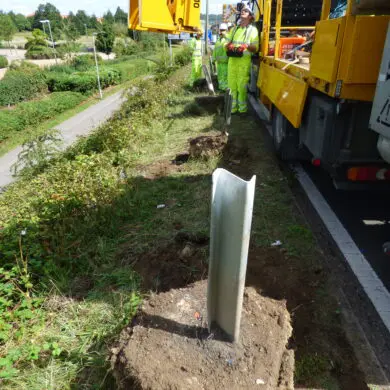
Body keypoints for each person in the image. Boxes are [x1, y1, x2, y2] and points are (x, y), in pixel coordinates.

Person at [225, 6, 259, 114]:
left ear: (250, 16)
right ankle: (233, 109)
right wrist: (227, 46)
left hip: (243, 62)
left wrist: (247, 46)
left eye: (246, 11)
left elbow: (255, 48)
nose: (242, 12)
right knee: (231, 86)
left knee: (242, 87)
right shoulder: (234, 29)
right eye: (242, 10)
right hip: (232, 62)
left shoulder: (253, 30)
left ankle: (242, 110)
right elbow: (226, 44)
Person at [212, 23, 229, 91]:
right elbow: (215, 51)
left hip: (226, 64)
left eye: (223, 30)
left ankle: (225, 91)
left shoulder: (228, 39)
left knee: (225, 78)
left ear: (227, 30)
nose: (222, 32)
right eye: (221, 30)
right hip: (219, 64)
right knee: (220, 78)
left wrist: (226, 36)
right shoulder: (218, 40)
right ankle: (221, 89)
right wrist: (213, 60)